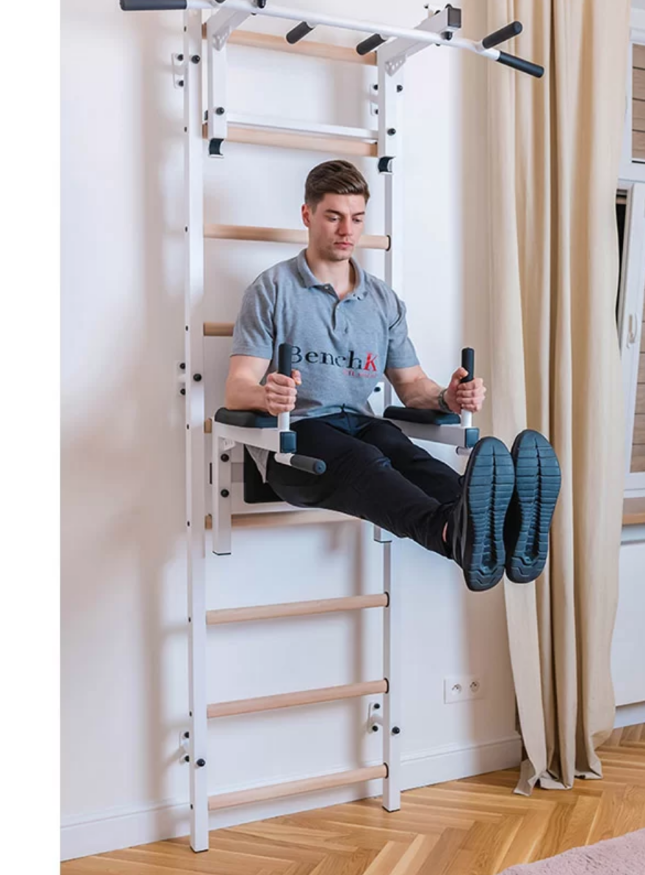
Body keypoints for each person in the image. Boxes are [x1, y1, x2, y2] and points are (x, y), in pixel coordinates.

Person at [224, 159, 560, 592]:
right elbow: (236, 388)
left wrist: (448, 398)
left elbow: (413, 386)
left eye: (358, 218)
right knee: (365, 459)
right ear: (308, 215)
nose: (348, 230)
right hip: (294, 441)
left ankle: (508, 527)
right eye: (334, 216)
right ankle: (446, 532)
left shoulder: (382, 301)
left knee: (400, 450)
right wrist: (266, 396)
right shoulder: (271, 289)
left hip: (359, 425)